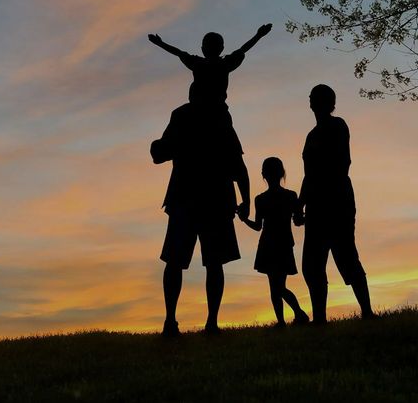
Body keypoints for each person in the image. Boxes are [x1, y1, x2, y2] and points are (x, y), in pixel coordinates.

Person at [151, 102, 251, 337]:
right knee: (210, 263)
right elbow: (239, 165)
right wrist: (246, 200)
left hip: (187, 198)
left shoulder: (185, 115)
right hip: (212, 199)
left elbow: (160, 153)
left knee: (178, 261)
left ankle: (173, 321)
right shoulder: (220, 116)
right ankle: (209, 322)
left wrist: (157, 147)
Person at [297, 84, 375, 324]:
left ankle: (367, 312)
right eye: (311, 98)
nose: (311, 102)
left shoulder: (338, 126)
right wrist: (301, 204)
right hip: (316, 205)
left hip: (337, 199)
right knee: (312, 264)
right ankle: (319, 317)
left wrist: (319, 190)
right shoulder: (311, 135)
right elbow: (308, 174)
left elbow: (342, 163)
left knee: (346, 256)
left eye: (315, 98)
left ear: (327, 102)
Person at [147, 24, 272, 128]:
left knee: (177, 115)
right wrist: (258, 36)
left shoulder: (203, 63)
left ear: (203, 48)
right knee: (178, 115)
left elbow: (178, 53)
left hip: (208, 109)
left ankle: (163, 149)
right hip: (210, 110)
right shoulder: (221, 63)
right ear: (221, 48)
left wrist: (160, 43)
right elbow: (243, 49)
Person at [239, 157, 310, 327]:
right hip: (283, 243)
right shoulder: (290, 196)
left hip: (269, 245)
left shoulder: (261, 199)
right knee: (278, 286)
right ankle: (289, 318)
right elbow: (299, 221)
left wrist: (243, 220)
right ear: (281, 173)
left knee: (275, 286)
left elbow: (257, 226)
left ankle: (293, 316)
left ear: (264, 175)